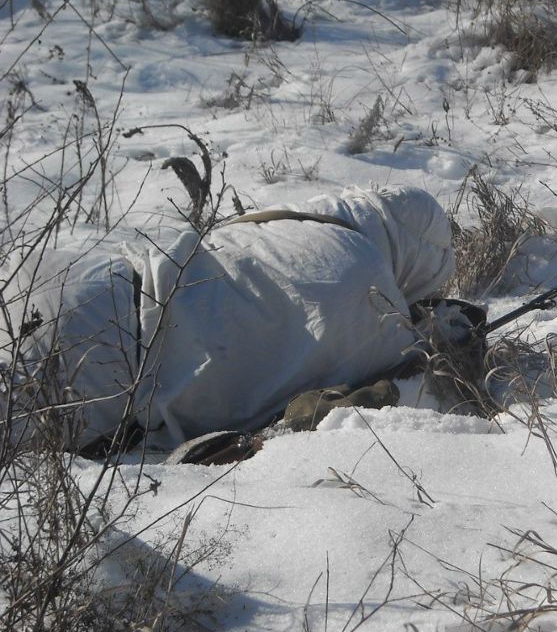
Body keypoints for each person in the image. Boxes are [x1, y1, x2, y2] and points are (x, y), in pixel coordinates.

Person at [6, 186, 455, 453]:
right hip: (107, 364)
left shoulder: (293, 222)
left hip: (69, 275)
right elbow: (408, 374)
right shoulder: (373, 295)